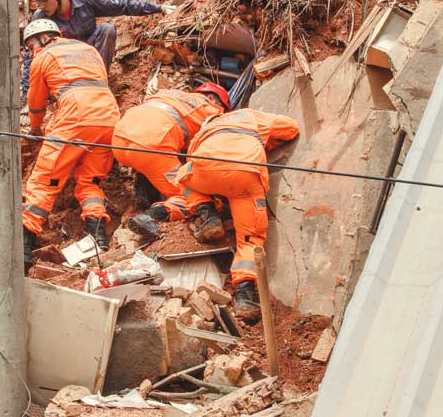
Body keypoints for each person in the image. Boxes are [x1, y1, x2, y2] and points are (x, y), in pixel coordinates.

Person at [173, 108, 299, 321]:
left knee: (181, 176)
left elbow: (192, 157)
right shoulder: (253, 116)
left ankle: (207, 213)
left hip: (206, 172)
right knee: (251, 239)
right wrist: (267, 141)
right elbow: (291, 128)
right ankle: (244, 294)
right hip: (245, 174)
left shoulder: (204, 131)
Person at [23, 19, 120, 270]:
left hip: (75, 114)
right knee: (91, 181)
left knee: (45, 181)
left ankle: (23, 246)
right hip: (109, 116)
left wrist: (35, 126)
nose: (32, 50)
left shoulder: (43, 57)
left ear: (44, 38)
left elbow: (36, 101)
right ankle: (98, 238)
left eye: (32, 44)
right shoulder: (88, 50)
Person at [22, 0, 175, 101]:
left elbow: (122, 5)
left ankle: (100, 82)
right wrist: (26, 95)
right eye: (37, 2)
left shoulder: (86, 0)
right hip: (66, 68)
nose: (40, 6)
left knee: (106, 29)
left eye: (44, 0)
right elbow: (31, 56)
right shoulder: (40, 19)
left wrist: (158, 8)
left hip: (91, 57)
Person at [112, 82, 230, 241]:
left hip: (119, 141)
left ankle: (145, 195)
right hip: (152, 144)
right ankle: (150, 216)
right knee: (190, 195)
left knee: (151, 167)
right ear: (212, 98)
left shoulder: (170, 94)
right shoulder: (212, 110)